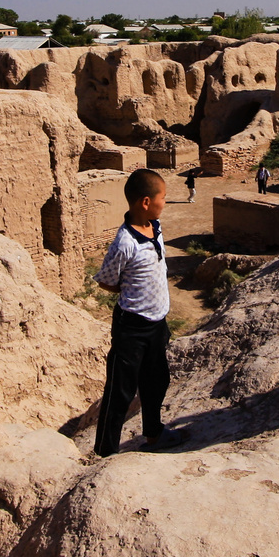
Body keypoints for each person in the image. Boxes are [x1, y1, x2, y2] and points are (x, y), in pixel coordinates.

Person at [92, 168, 189, 456]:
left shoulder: (155, 227)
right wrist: (131, 293)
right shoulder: (125, 242)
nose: (166, 203)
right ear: (145, 202)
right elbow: (106, 280)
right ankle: (105, 451)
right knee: (120, 392)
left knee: (156, 381)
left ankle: (154, 433)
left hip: (156, 324)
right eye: (164, 198)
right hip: (132, 328)